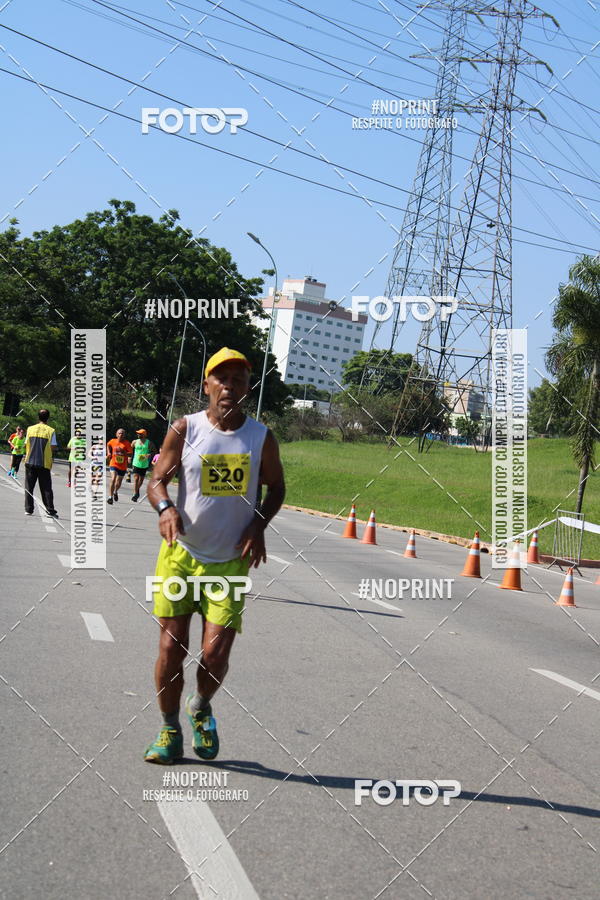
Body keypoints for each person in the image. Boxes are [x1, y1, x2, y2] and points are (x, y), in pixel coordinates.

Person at [144, 347, 285, 764]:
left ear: (247, 388)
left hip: (229, 562)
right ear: (206, 385)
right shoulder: (185, 429)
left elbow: (276, 488)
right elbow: (156, 480)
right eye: (221, 379)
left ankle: (200, 706)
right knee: (171, 647)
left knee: (215, 654)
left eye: (238, 380)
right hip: (181, 555)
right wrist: (165, 508)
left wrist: (258, 524)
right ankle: (169, 729)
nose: (229, 387)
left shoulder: (261, 438)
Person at [23, 409, 59, 517]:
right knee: (46, 488)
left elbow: (26, 443)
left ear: (38, 417)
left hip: (30, 461)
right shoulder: (51, 431)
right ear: (48, 418)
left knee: (29, 487)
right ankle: (50, 510)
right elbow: (53, 446)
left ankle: (28, 509)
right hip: (44, 463)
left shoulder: (30, 429)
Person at [106, 428, 132, 505]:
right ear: (116, 434)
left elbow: (130, 453)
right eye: (119, 433)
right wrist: (109, 452)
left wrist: (124, 452)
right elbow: (108, 445)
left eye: (122, 433)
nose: (121, 434)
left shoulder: (127, 443)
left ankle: (115, 491)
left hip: (122, 465)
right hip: (113, 463)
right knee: (113, 478)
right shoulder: (112, 441)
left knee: (119, 482)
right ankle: (110, 497)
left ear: (124, 435)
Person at [130, 428, 156, 502]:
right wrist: (129, 457)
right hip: (135, 462)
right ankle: (135, 494)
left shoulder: (149, 443)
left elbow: (154, 451)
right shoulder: (135, 442)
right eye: (138, 433)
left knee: (141, 480)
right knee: (136, 478)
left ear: (144, 435)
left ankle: (137, 490)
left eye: (140, 434)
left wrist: (149, 455)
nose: (138, 434)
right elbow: (130, 448)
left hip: (144, 463)